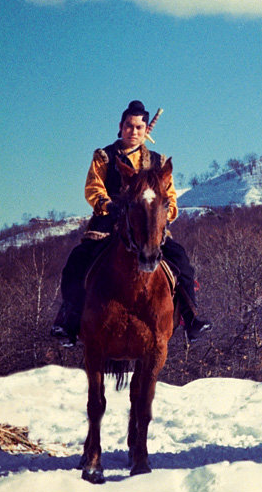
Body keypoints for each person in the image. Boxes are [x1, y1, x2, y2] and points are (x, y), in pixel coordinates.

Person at [50, 100, 212, 347]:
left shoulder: (158, 161)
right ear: (120, 126)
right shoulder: (104, 156)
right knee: (77, 261)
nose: (133, 131)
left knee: (180, 259)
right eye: (129, 126)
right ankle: (69, 320)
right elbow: (93, 188)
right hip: (108, 221)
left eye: (139, 127)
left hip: (148, 224)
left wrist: (161, 216)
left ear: (146, 129)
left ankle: (191, 317)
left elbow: (170, 197)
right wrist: (108, 206)